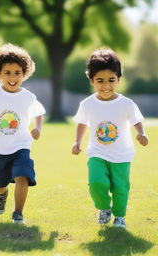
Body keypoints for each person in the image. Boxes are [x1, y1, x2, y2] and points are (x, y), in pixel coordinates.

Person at [72, 48, 148, 229]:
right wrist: (77, 142)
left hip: (121, 155)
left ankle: (120, 216)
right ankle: (104, 208)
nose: (106, 85)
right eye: (100, 81)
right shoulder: (88, 104)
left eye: (111, 80)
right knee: (97, 182)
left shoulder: (126, 103)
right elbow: (82, 123)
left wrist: (141, 133)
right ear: (91, 80)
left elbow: (136, 120)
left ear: (119, 79)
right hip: (97, 153)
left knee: (121, 188)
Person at [0, 43, 45, 224]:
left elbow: (39, 113)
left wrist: (38, 128)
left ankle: (18, 213)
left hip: (21, 145)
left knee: (23, 176)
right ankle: (1, 194)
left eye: (17, 73)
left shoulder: (28, 96)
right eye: (7, 72)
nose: (13, 77)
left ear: (24, 74)